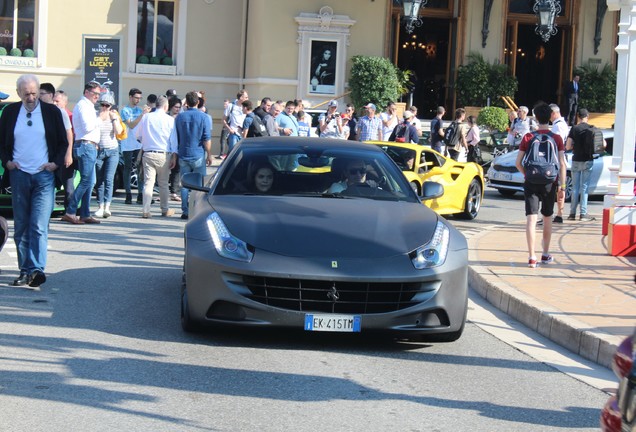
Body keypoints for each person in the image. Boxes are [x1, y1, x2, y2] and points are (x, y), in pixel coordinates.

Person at [0, 74, 68, 287]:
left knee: (38, 225)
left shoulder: (51, 112)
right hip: (19, 175)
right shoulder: (10, 112)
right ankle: (25, 270)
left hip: (44, 176)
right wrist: (8, 162)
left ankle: (36, 268)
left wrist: (55, 164)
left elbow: (62, 142)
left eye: (34, 93)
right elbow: (1, 142)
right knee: (21, 226)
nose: (31, 97)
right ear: (19, 93)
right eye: (26, 93)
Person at [515, 102, 567, 268]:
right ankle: (545, 254)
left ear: (535, 118)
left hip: (531, 181)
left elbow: (518, 162)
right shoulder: (556, 138)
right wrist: (562, 186)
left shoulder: (528, 137)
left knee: (531, 219)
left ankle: (532, 257)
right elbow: (562, 163)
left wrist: (527, 174)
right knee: (547, 217)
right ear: (550, 117)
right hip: (550, 182)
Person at [62, 81, 102, 225]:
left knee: (90, 182)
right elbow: (87, 127)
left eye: (98, 94)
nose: (97, 96)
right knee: (86, 180)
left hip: (89, 145)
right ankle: (71, 211)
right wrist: (100, 119)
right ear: (86, 92)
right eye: (94, 93)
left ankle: (84, 213)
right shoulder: (83, 105)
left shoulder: (88, 106)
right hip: (85, 145)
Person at [135, 96, 178, 218]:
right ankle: (164, 209)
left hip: (148, 153)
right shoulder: (170, 120)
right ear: (165, 106)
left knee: (148, 183)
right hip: (163, 154)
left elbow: (138, 135)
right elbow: (173, 140)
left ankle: (146, 210)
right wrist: (174, 155)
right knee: (163, 183)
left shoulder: (146, 117)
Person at [174, 91, 212, 220]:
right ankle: (198, 209)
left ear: (187, 103)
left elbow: (176, 136)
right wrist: (209, 154)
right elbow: (206, 138)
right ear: (197, 102)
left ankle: (185, 211)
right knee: (200, 185)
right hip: (198, 154)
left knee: (184, 184)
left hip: (183, 153)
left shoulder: (180, 117)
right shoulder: (204, 117)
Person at [40, 85, 74, 209]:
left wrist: (68, 153)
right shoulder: (38, 111)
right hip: (43, 156)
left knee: (61, 182)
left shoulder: (61, 112)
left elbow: (68, 133)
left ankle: (68, 210)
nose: (55, 103)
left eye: (41, 93)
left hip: (57, 155)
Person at [93, 93, 123, 219]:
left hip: (112, 150)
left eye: (108, 105)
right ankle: (100, 206)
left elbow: (119, 132)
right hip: (99, 150)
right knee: (99, 180)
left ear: (111, 106)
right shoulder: (95, 116)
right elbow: (92, 130)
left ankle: (107, 207)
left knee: (109, 178)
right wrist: (100, 117)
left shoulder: (114, 116)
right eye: (103, 105)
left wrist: (114, 118)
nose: (105, 107)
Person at [120, 88, 150, 204]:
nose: (138, 100)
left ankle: (140, 194)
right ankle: (128, 194)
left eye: (140, 98)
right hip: (127, 143)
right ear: (130, 97)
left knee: (140, 169)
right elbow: (131, 125)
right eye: (136, 98)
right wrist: (142, 115)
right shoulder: (125, 110)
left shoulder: (140, 110)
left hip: (138, 143)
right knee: (127, 168)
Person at [566, 108, 596, 221]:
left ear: (578, 116)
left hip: (576, 160)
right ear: (587, 116)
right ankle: (583, 214)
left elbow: (568, 146)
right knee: (584, 187)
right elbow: (603, 144)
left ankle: (572, 214)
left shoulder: (574, 128)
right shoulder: (591, 128)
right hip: (588, 160)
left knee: (575, 187)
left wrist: (574, 146)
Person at [549, 103, 569, 223]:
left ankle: (557, 214)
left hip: (557, 161)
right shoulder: (561, 124)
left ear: (554, 113)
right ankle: (557, 214)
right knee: (559, 187)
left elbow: (558, 145)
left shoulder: (558, 126)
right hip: (559, 160)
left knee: (557, 188)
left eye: (550, 114)